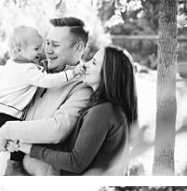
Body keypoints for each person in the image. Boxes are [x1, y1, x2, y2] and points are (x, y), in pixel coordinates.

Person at [0, 17, 93, 176]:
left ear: (78, 48)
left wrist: (7, 131)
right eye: (47, 42)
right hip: (2, 166)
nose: (48, 50)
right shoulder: (34, 69)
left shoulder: (82, 86)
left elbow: (57, 129)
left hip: (35, 174)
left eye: (56, 45)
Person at [16, 46, 138, 175]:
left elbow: (75, 162)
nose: (86, 65)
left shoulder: (103, 112)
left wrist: (27, 148)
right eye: (90, 60)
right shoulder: (109, 109)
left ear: (109, 74)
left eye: (94, 63)